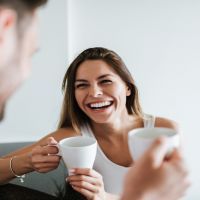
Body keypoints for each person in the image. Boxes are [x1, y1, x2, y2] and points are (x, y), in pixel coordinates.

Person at [0, 45, 190, 199]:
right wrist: (27, 162)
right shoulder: (71, 136)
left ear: (127, 87)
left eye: (105, 81)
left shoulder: (165, 130)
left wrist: (105, 197)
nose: (94, 93)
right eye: (82, 85)